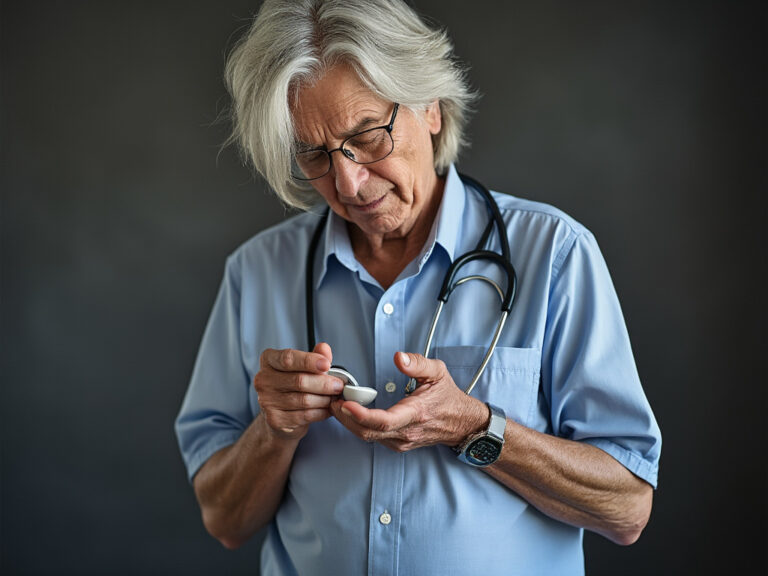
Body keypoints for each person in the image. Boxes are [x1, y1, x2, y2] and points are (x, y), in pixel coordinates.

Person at [175, 1, 662, 574]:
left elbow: (627, 509)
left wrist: (475, 427)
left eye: (368, 136)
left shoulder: (554, 254)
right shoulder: (257, 273)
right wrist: (274, 431)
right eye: (314, 154)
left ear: (430, 106)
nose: (349, 182)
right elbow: (223, 521)